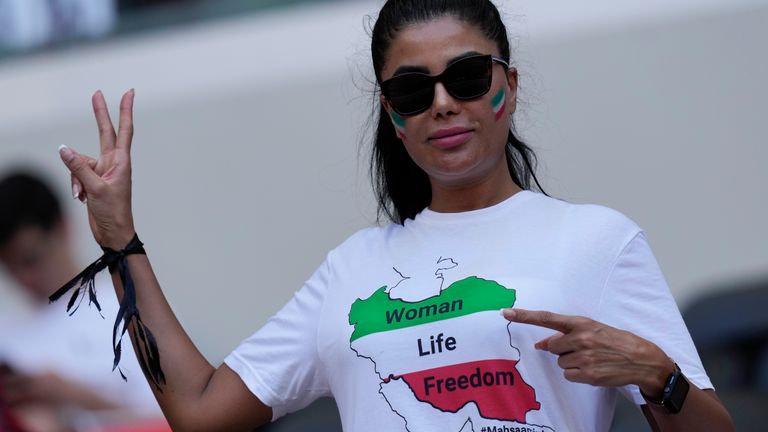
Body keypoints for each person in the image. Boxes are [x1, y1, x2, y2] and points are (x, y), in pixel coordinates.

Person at [56, 0, 735, 430]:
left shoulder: (598, 243)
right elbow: (202, 412)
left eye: (466, 77)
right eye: (413, 89)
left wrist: (658, 376)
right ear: (393, 115)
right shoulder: (352, 270)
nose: (442, 102)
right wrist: (121, 243)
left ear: (510, 86)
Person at [0, 171, 166, 432]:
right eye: (10, 267)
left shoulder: (128, 310)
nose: (24, 277)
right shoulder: (7, 333)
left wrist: (74, 395)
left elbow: (176, 417)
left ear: (62, 228)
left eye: (31, 259)